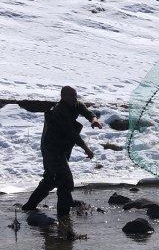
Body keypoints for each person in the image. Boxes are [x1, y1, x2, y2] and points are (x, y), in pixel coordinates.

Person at [22, 86, 103, 218]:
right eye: (70, 95)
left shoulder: (76, 104)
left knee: (51, 179)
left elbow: (88, 113)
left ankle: (29, 206)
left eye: (75, 95)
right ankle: (63, 217)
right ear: (63, 97)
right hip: (51, 149)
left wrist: (94, 121)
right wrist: (87, 149)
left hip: (62, 148)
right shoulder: (59, 111)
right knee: (65, 181)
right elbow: (71, 133)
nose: (74, 98)